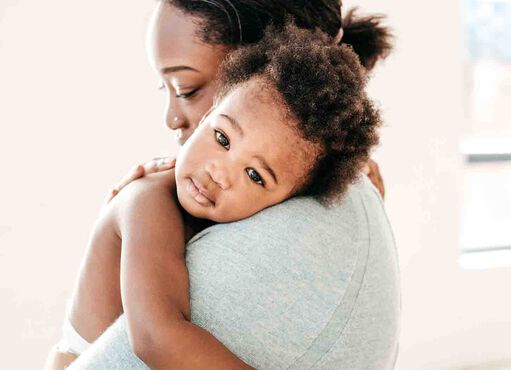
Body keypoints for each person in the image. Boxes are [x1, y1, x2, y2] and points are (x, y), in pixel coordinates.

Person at [45, 1, 400, 369]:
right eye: (223, 137)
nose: (220, 172)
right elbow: (156, 337)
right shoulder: (149, 197)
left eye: (255, 175)